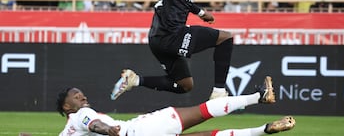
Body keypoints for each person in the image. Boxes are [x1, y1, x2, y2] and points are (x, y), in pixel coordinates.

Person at [111, 0, 235, 100]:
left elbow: (182, 1)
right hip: (171, 35)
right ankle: (219, 91)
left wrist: (201, 13)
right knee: (225, 38)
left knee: (185, 85)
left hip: (157, 40)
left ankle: (134, 80)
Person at [58, 78, 296, 136]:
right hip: (141, 130)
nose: (83, 97)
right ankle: (258, 96)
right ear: (67, 106)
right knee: (203, 110)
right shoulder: (81, 114)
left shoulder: (66, 131)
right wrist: (107, 130)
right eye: (77, 96)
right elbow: (94, 123)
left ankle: (262, 130)